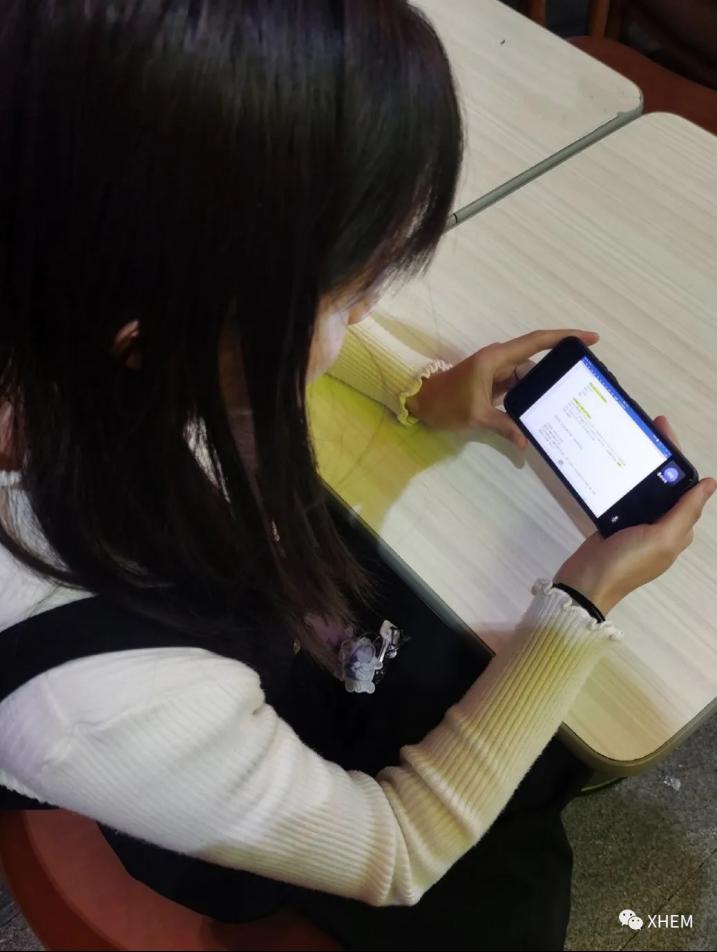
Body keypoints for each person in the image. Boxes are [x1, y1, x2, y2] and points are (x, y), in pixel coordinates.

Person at [0, 2, 713, 949]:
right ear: (162, 335)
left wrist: (423, 389)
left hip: (235, 624)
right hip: (216, 808)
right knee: (507, 893)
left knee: (483, 681)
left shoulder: (84, 317)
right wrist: (580, 602)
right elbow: (397, 853)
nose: (370, 315)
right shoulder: (95, 698)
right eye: (349, 291)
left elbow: (264, 338)